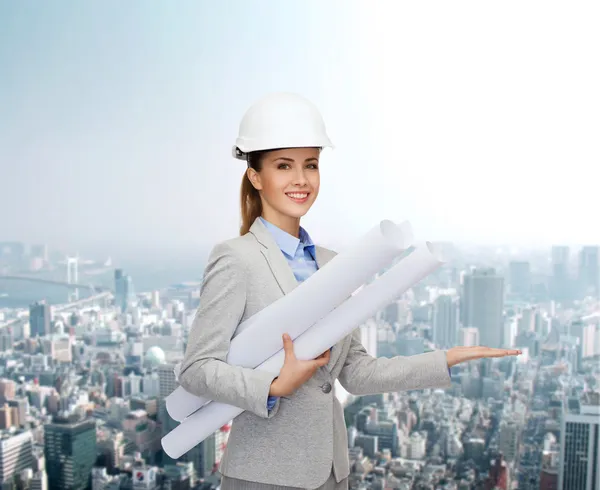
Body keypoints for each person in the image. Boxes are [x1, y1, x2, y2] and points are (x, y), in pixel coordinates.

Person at [177, 92, 521, 490]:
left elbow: (357, 373)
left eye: (311, 165)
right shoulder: (236, 258)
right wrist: (273, 387)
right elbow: (196, 369)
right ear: (255, 175)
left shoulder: (334, 264)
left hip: (332, 474)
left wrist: (446, 359)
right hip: (264, 476)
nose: (301, 179)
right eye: (283, 165)